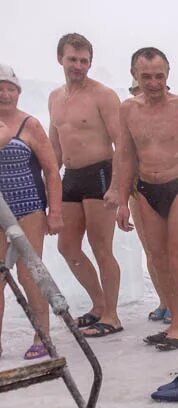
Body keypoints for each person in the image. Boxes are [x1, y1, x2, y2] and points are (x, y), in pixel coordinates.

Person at [106, 47, 178, 351]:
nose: (153, 83)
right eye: (146, 77)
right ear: (134, 75)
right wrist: (121, 200)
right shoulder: (128, 109)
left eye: (159, 76)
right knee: (156, 256)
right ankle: (170, 315)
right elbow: (125, 155)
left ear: (168, 75)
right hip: (145, 189)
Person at [48, 33, 123, 337]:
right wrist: (50, 187)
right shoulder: (55, 97)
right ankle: (98, 304)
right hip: (71, 177)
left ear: (90, 62)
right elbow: (54, 147)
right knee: (67, 246)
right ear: (60, 59)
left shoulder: (102, 95)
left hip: (100, 173)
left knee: (101, 246)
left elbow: (122, 143)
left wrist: (118, 186)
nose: (79, 66)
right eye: (73, 59)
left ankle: (112, 316)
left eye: (84, 60)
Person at [0, 64, 64, 360]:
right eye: (0, 88)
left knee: (29, 275)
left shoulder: (30, 124)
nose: (5, 94)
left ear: (18, 92)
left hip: (28, 207)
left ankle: (42, 334)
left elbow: (51, 171)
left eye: (10, 88)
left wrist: (55, 211)